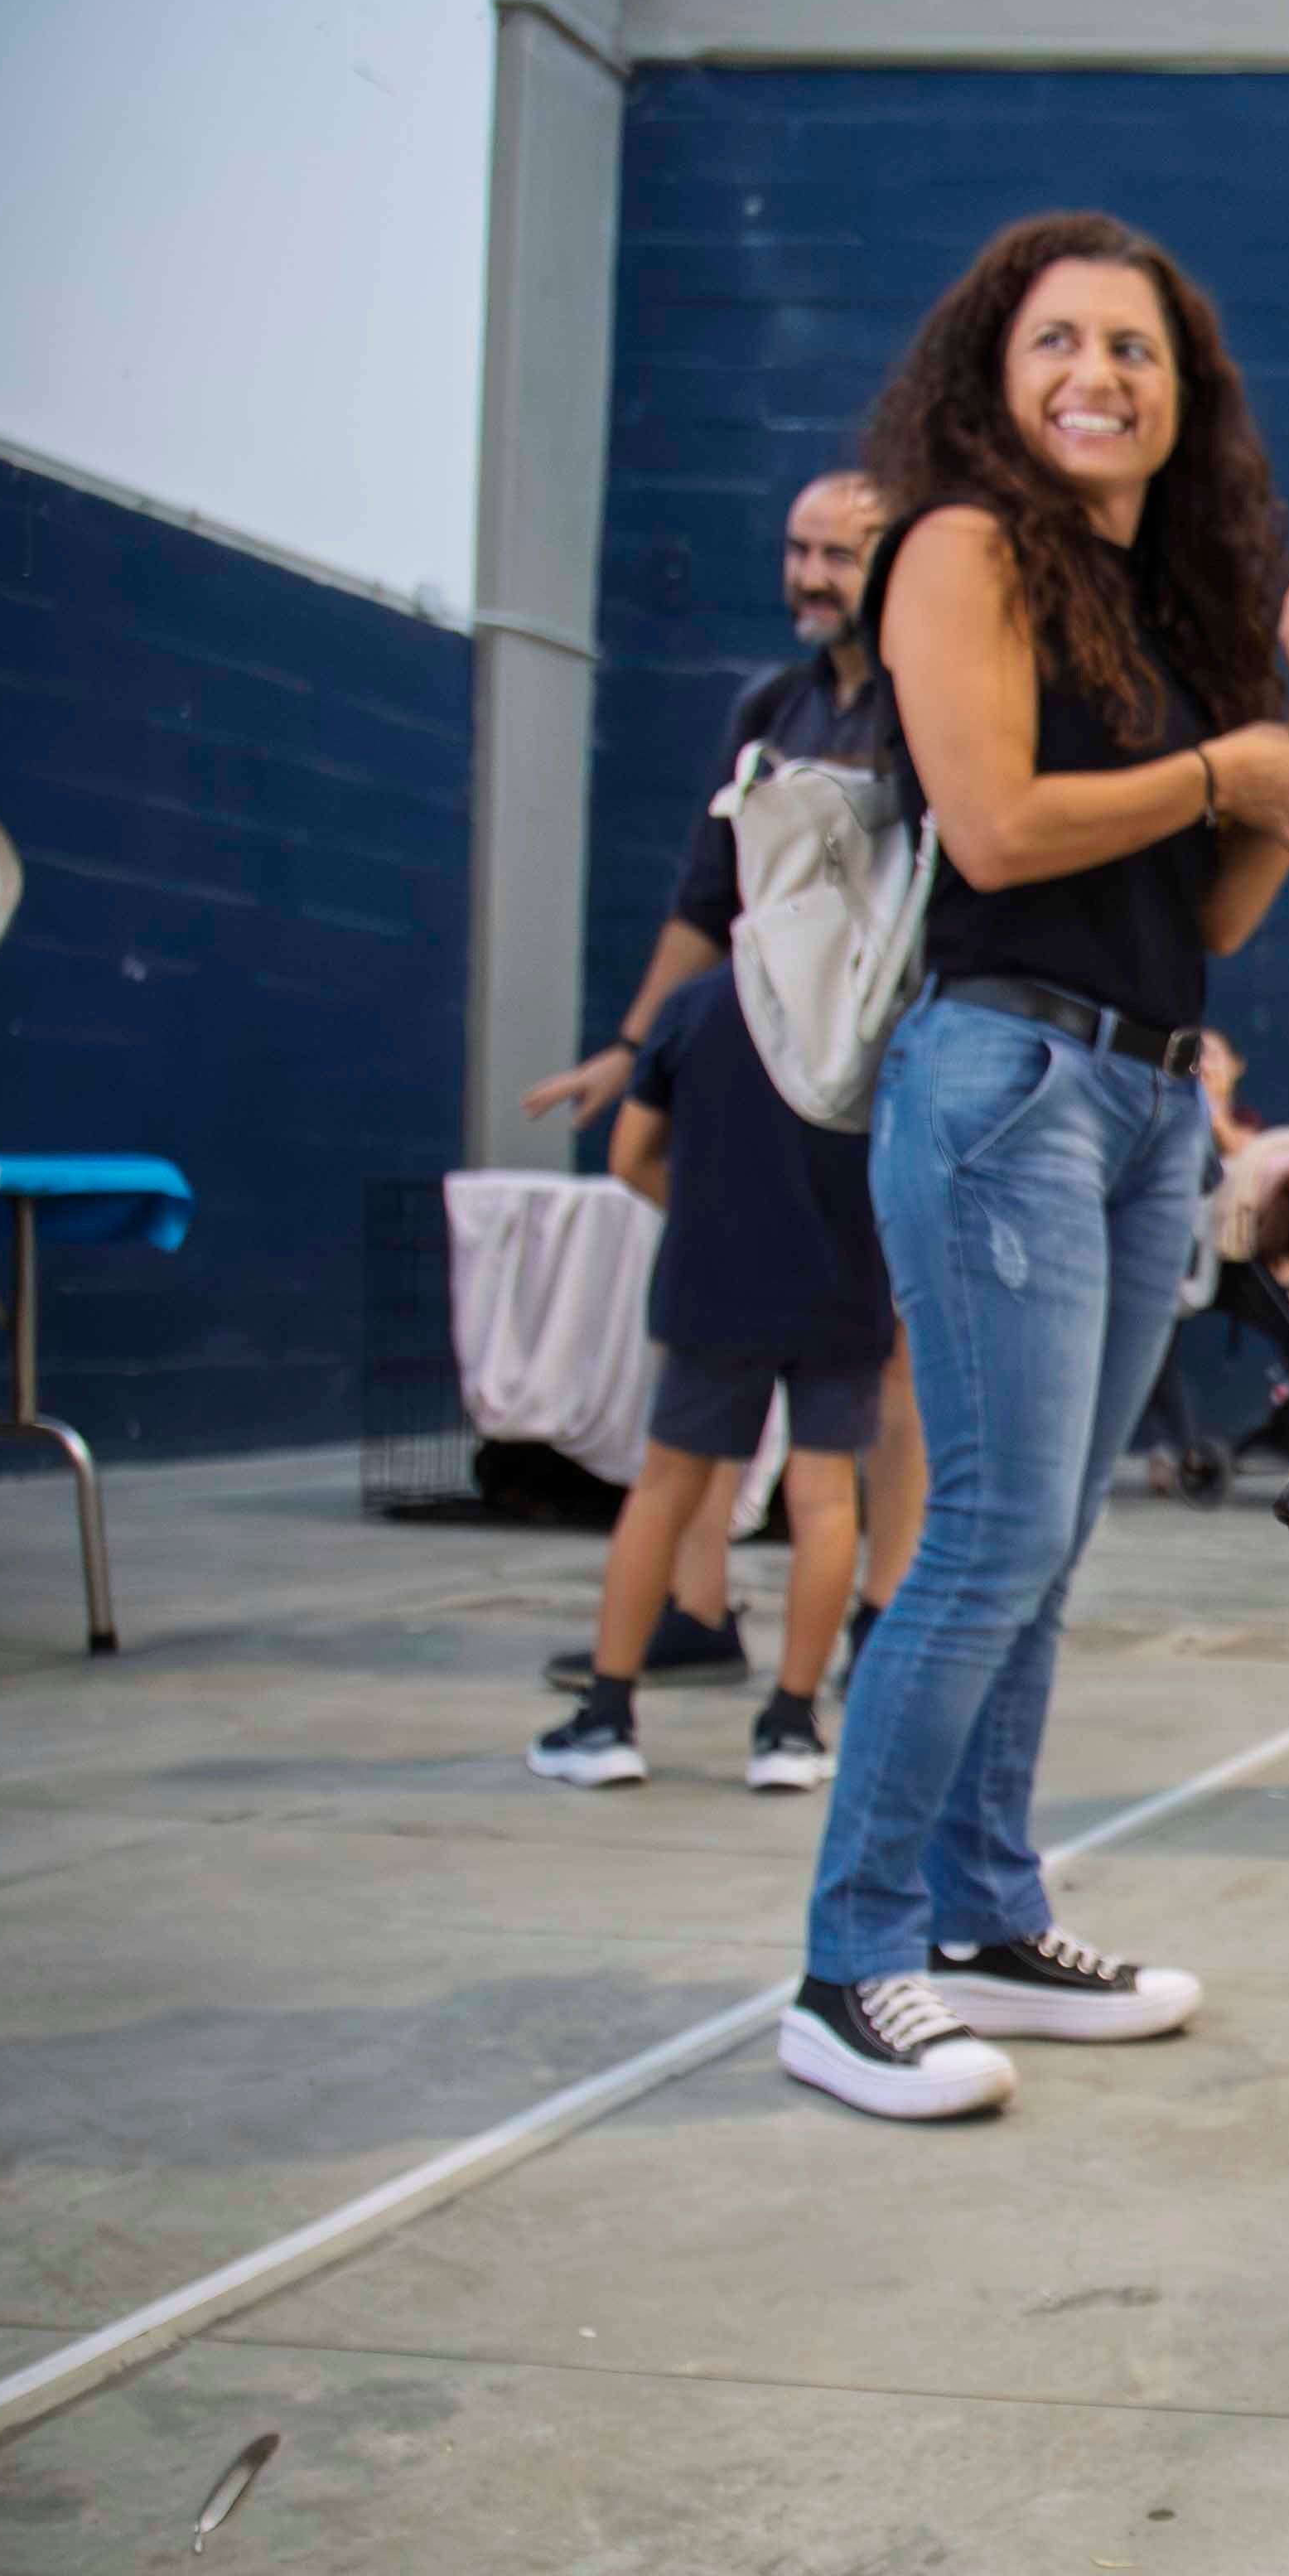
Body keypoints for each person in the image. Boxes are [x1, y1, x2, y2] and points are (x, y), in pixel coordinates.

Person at [784, 211, 1289, 2122]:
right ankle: (847, 1963)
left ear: (1179, 391)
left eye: (1133, 350)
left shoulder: (1158, 603)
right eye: (1057, 343)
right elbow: (994, 823)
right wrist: (1223, 770)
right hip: (1003, 1085)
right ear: (996, 369)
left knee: (1042, 1549)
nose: (1095, 378)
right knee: (979, 1537)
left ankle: (984, 1916)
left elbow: (1205, 906)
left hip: (1139, 1104)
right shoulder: (957, 549)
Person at [519, 470, 925, 1690]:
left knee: (888, 1358)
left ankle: (883, 1613)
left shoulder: (925, 718)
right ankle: (694, 1610)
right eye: (798, 549)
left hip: (884, 1068)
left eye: (838, 556)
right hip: (763, 1066)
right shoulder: (767, 710)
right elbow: (706, 903)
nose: (809, 576)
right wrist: (636, 1050)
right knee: (716, 1352)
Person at [527, 965, 885, 1794]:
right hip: (845, 1283)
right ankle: (791, 1728)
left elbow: (630, 1158)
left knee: (665, 1489)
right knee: (827, 1498)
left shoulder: (696, 1005)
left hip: (715, 1283)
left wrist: (709, 1218)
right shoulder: (873, 1006)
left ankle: (609, 1719)